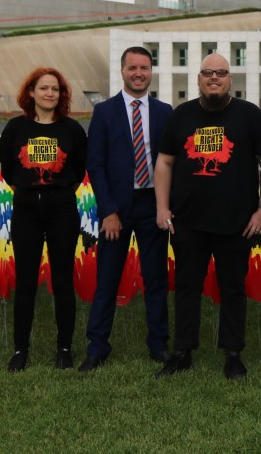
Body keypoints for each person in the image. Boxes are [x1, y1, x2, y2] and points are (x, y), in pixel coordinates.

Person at [153, 53, 261, 380]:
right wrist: (162, 208)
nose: (214, 78)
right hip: (188, 220)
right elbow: (164, 162)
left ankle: (233, 354)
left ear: (230, 79)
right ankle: (182, 352)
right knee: (186, 287)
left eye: (221, 72)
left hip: (236, 223)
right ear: (198, 78)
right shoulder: (182, 115)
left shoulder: (249, 115)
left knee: (233, 288)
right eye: (208, 72)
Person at [79, 46, 172, 372]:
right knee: (107, 278)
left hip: (152, 205)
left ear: (150, 72)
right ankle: (97, 345)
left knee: (156, 277)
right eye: (133, 67)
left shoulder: (164, 111)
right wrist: (108, 211)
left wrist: (166, 206)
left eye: (144, 68)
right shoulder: (104, 111)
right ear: (122, 71)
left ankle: (159, 344)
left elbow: (171, 162)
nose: (139, 73)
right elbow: (96, 163)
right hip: (116, 208)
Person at [0, 67, 87, 372]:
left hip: (62, 210)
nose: (50, 94)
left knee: (62, 280)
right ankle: (20, 349)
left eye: (56, 89)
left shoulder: (72, 130)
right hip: (26, 211)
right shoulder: (15, 128)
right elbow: (8, 167)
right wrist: (29, 188)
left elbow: (79, 168)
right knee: (26, 282)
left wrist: (56, 192)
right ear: (31, 92)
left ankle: (64, 348)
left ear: (61, 95)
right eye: (44, 88)